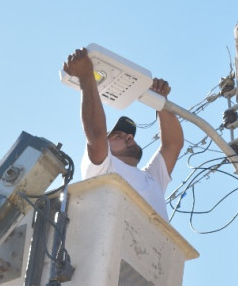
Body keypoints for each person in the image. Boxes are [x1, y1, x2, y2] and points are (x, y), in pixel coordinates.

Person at [62, 47, 183, 216]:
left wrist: (161, 103)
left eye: (128, 135)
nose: (129, 137)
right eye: (117, 135)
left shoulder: (152, 179)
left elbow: (173, 144)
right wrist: (85, 76)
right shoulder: (102, 168)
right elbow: (96, 136)